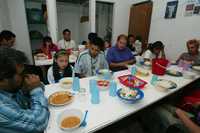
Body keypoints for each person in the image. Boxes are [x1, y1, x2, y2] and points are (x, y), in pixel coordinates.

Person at [0, 47, 49, 133]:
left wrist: (30, 90)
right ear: (3, 79)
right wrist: (36, 90)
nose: (25, 76)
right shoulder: (2, 108)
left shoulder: (10, 87)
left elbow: (41, 86)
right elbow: (39, 123)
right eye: (21, 74)